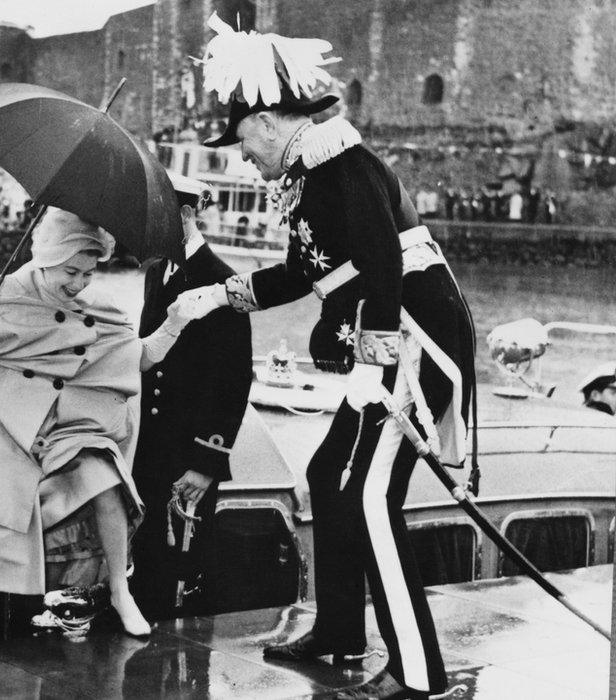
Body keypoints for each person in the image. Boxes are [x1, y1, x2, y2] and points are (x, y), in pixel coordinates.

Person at [177, 15, 475, 700]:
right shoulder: (313, 174)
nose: (241, 157)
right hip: (390, 343)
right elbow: (302, 274)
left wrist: (373, 367)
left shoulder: (341, 163)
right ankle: (341, 631)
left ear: (266, 119)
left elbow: (378, 263)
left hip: (410, 345)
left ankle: (420, 678)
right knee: (327, 474)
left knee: (369, 498)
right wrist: (220, 296)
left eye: (242, 140)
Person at [0, 208, 207, 642]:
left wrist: (175, 322)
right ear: (47, 257)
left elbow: (138, 358)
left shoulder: (94, 310)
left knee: (106, 475)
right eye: (71, 271)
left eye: (89, 274)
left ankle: (118, 588)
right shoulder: (0, 295)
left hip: (59, 436)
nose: (78, 283)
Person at [130, 176, 253, 621]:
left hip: (189, 454)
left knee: (183, 568)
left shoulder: (221, 281)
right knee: (147, 559)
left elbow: (235, 379)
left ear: (185, 214)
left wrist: (206, 464)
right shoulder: (155, 273)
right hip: (150, 445)